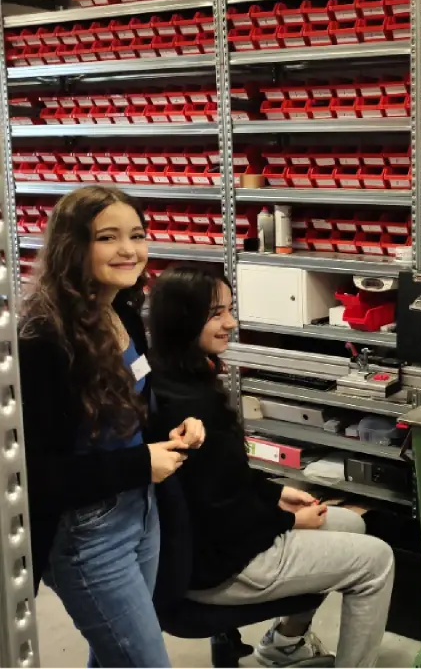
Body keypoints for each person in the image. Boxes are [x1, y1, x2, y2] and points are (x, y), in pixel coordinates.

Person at [148, 265, 395, 669]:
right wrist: (288, 523)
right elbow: (218, 515)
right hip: (222, 566)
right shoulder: (189, 405)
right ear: (182, 319)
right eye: (215, 314)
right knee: (377, 561)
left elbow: (222, 479)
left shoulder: (180, 375)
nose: (230, 322)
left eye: (229, 309)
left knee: (352, 526)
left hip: (216, 547)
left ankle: (284, 645)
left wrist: (276, 493)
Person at [18, 186, 205, 669]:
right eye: (108, 237)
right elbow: (36, 476)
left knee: (113, 657)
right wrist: (140, 462)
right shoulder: (43, 338)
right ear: (73, 247)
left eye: (137, 235)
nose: (129, 250)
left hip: (141, 512)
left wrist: (172, 427)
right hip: (87, 532)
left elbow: (135, 400)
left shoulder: (120, 310)